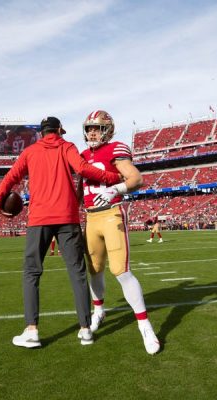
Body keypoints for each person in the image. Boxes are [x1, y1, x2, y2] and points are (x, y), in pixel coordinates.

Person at [0, 116, 122, 348]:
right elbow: (83, 168)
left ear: (41, 133)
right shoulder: (67, 147)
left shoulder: (30, 152)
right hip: (67, 218)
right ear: (60, 130)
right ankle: (85, 329)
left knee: (32, 273)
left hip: (39, 219)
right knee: (77, 272)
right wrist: (111, 177)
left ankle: (32, 330)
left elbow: (11, 177)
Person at [78, 110, 161, 354]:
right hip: (90, 218)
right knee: (94, 269)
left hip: (111, 212)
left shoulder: (115, 149)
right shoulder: (82, 155)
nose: (92, 132)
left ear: (108, 129)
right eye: (89, 128)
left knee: (121, 270)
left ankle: (144, 325)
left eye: (96, 127)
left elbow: (136, 179)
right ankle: (99, 311)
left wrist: (116, 189)